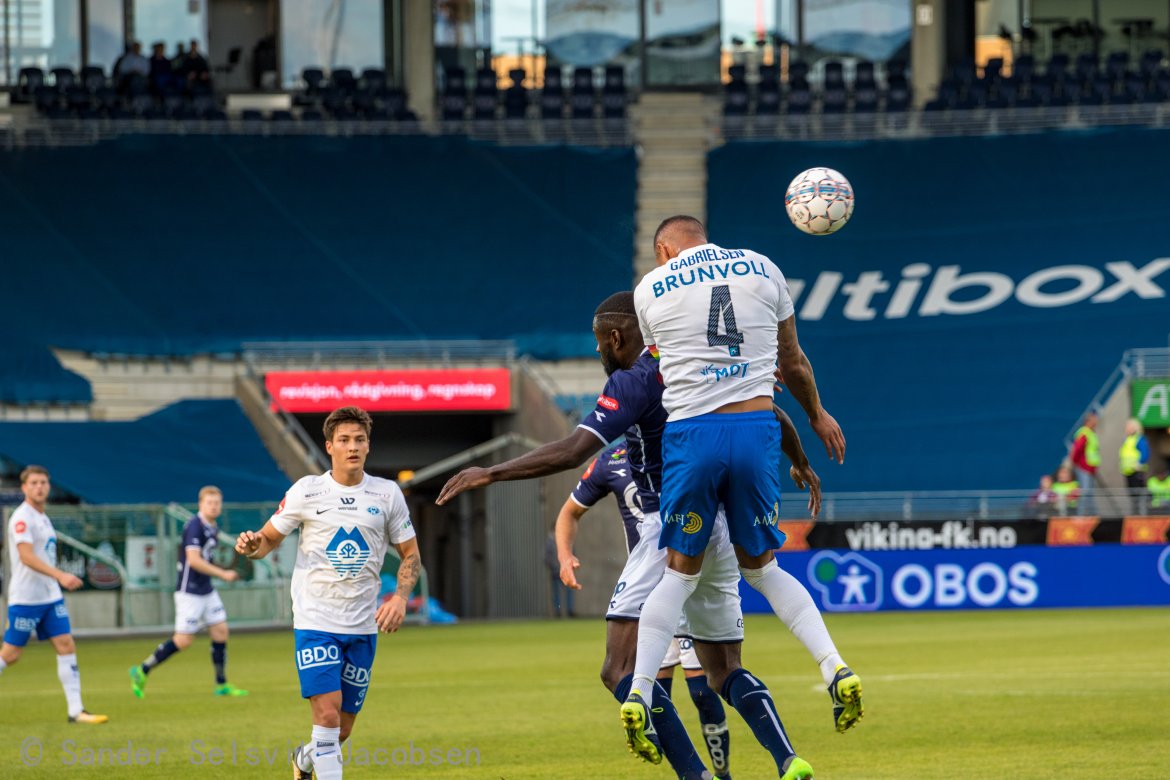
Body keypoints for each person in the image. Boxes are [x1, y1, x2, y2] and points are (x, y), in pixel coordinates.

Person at [438, 291, 854, 780]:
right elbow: (772, 413)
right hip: (719, 525)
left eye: (599, 343)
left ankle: (693, 772)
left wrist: (491, 472)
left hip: (667, 528)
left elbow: (573, 450)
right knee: (724, 670)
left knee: (618, 670)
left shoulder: (633, 381)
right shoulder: (695, 360)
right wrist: (800, 461)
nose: (597, 353)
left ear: (616, 337)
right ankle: (788, 757)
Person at [623, 216, 855, 780]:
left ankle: (638, 692)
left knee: (677, 575)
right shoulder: (764, 267)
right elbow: (792, 361)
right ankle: (835, 667)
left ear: (663, 248)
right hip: (756, 429)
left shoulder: (649, 290)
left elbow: (662, 364)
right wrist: (817, 415)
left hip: (693, 435)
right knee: (765, 567)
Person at [234, 406, 421, 780]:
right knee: (327, 712)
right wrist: (251, 545)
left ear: (368, 446)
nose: (353, 447)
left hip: (363, 625)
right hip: (315, 620)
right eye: (344, 440)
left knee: (343, 729)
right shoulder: (307, 490)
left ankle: (303, 761)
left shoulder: (387, 494)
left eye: (360, 440)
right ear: (329, 446)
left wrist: (399, 597)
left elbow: (410, 554)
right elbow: (266, 541)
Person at [557, 443, 733, 779]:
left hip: (692, 582)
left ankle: (721, 773)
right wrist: (565, 555)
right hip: (650, 589)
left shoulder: (684, 443)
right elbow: (569, 511)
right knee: (653, 693)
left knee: (703, 692)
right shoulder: (611, 460)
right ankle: (692, 773)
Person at [0, 466, 108, 724]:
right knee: (11, 655)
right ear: (24, 488)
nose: (40, 487)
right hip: (26, 598)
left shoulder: (43, 517)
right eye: (34, 483)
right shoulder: (22, 518)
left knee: (65, 644)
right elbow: (26, 557)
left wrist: (55, 582)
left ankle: (76, 711)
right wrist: (60, 575)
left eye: (44, 483)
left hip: (50, 597)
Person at [129, 485, 247, 698]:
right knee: (183, 640)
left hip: (206, 590)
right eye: (209, 503)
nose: (213, 506)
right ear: (201, 504)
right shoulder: (194, 526)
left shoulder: (213, 526)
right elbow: (193, 560)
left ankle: (221, 684)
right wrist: (222, 574)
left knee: (220, 630)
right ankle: (142, 669)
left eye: (217, 503)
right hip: (189, 591)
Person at [1069, 412, 1100, 516]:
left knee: (1089, 492)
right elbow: (1077, 449)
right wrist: (1075, 462)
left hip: (1090, 468)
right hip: (1084, 467)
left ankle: (1092, 515)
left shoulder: (1091, 433)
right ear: (1088, 421)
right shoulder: (1084, 433)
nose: (1096, 422)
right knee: (1085, 491)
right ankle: (1081, 515)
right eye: (1094, 420)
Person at [1119, 418, 1150, 514]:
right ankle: (1136, 515)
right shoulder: (1127, 439)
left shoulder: (1139, 439)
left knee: (1139, 495)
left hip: (1137, 471)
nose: (1126, 428)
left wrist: (1138, 464)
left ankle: (1141, 515)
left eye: (1128, 426)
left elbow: (1145, 453)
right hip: (1128, 471)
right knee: (1133, 496)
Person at [544, 525, 575, 617]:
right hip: (555, 572)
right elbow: (547, 557)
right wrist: (553, 567)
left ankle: (570, 611)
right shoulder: (550, 542)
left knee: (569, 592)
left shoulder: (567, 540)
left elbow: (572, 554)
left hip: (567, 572)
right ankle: (558, 612)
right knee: (556, 593)